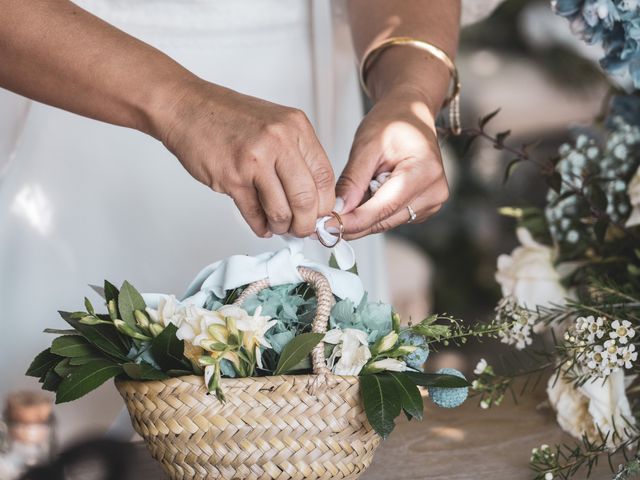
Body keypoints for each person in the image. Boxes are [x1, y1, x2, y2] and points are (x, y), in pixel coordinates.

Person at [0, 0, 502, 439]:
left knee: (303, 435)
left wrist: (408, 95)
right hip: (66, 100)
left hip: (305, 120)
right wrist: (179, 104)